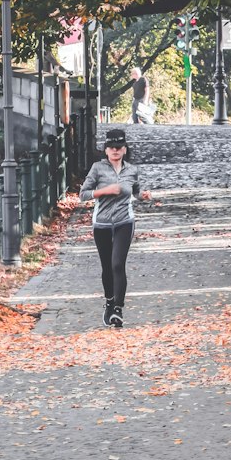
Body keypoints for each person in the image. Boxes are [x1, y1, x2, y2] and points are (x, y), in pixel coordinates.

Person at [79, 127, 151, 328]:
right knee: (107, 267)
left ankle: (118, 309)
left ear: (125, 149)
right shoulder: (97, 169)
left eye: (119, 147)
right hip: (101, 223)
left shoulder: (132, 170)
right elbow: (83, 194)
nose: (115, 151)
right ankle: (109, 302)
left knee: (118, 264)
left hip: (124, 222)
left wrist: (142, 196)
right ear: (106, 150)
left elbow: (135, 191)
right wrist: (105, 191)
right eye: (111, 147)